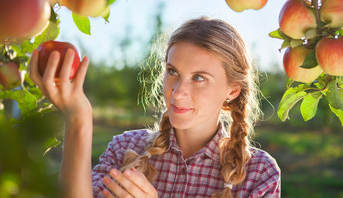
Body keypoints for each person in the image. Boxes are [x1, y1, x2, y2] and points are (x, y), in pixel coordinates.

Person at [29, 17, 281, 198]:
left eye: (199, 78)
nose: (178, 91)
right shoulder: (124, 150)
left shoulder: (259, 174)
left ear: (232, 90)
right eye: (172, 72)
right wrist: (78, 117)